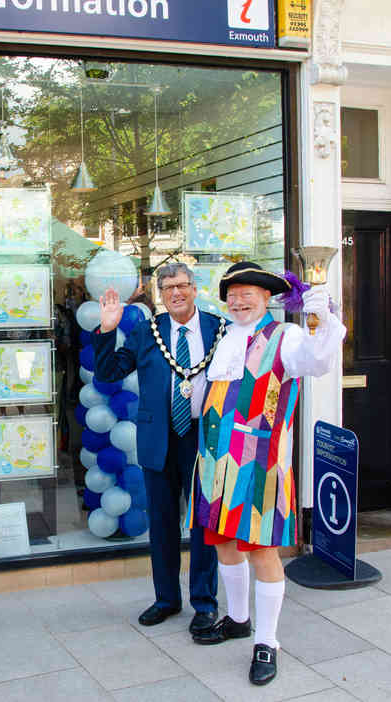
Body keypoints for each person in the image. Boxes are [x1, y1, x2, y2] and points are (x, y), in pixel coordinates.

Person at [188, 261, 346, 686]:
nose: (238, 301)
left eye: (247, 294)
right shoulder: (225, 336)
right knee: (223, 544)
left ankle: (267, 641)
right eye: (233, 295)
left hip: (259, 464)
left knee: (262, 552)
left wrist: (323, 318)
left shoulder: (286, 336)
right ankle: (238, 619)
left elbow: (318, 360)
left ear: (266, 298)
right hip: (215, 461)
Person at [93, 263, 225, 636]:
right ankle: (166, 599)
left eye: (182, 285)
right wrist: (107, 328)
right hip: (158, 438)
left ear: (194, 288)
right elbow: (108, 373)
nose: (175, 293)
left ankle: (204, 603)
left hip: (203, 437)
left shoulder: (219, 329)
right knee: (162, 523)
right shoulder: (147, 331)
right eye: (167, 288)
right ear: (161, 295)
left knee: (203, 524)